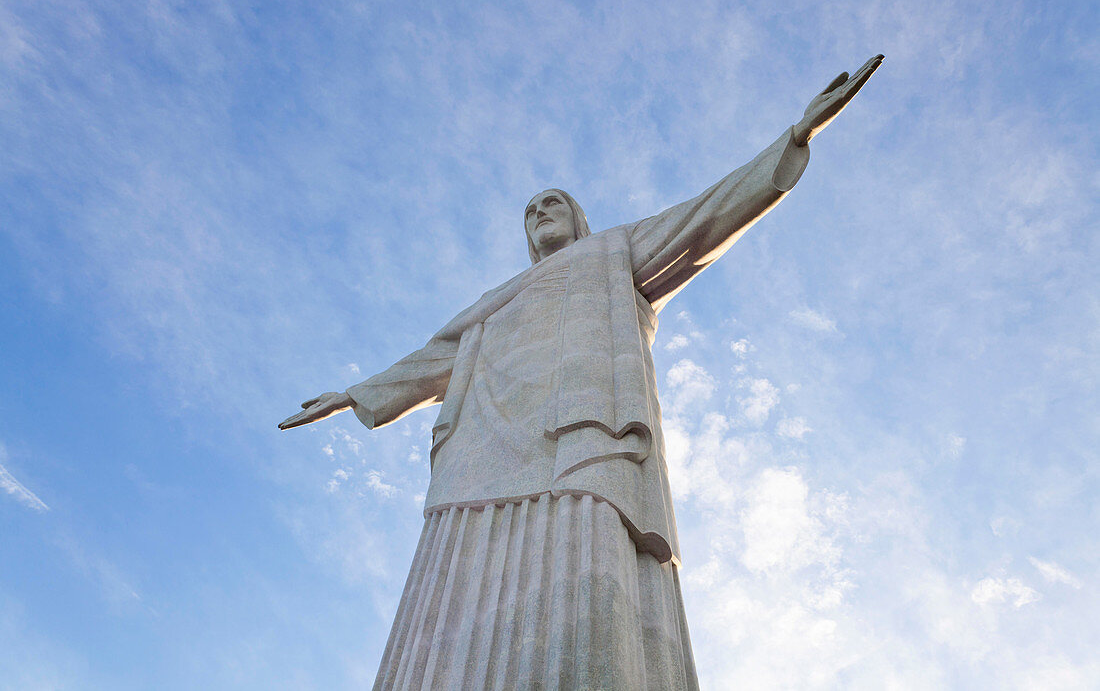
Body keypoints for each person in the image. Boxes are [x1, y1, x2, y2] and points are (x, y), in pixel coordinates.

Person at [280, 54, 883, 690]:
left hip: (583, 434)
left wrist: (792, 138)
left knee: (583, 566)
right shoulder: (493, 303)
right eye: (531, 209)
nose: (540, 210)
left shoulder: (612, 251)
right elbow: (435, 357)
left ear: (578, 219)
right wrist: (354, 394)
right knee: (455, 589)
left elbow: (704, 217)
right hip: (480, 455)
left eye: (553, 203)